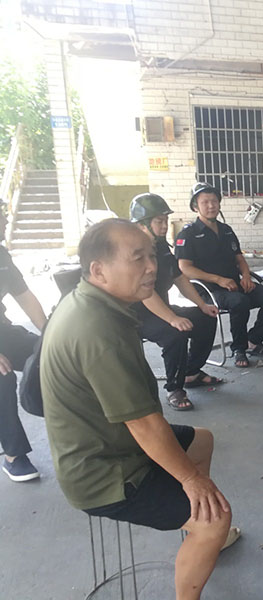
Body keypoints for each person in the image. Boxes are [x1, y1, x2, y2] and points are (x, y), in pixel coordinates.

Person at [41, 219, 239, 599]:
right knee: (216, 518)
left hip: (110, 440)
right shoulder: (97, 330)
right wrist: (191, 480)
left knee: (201, 440)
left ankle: (196, 532)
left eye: (151, 256)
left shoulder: (93, 302)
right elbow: (144, 424)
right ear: (99, 270)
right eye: (137, 258)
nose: (151, 267)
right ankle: (203, 536)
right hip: (101, 471)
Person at [130, 193, 222, 411]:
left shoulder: (161, 248)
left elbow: (179, 278)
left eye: (165, 221)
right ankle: (175, 389)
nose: (164, 226)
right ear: (142, 225)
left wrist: (202, 305)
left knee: (205, 318)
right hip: (136, 316)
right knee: (175, 333)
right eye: (159, 221)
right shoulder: (133, 254)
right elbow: (145, 294)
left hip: (162, 309)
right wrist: (172, 319)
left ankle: (191, 372)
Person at [176, 182, 263, 368]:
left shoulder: (226, 230)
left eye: (214, 201)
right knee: (239, 302)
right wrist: (218, 279)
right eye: (205, 202)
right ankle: (238, 348)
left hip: (235, 284)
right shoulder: (188, 234)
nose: (211, 206)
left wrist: (246, 276)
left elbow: (239, 258)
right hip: (209, 290)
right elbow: (185, 268)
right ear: (195, 206)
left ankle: (253, 340)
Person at [0, 199, 47, 482]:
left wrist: (50, 334)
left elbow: (25, 297)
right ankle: (13, 454)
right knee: (2, 377)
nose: (6, 220)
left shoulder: (1, 256)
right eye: (1, 215)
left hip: (2, 331)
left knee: (45, 355)